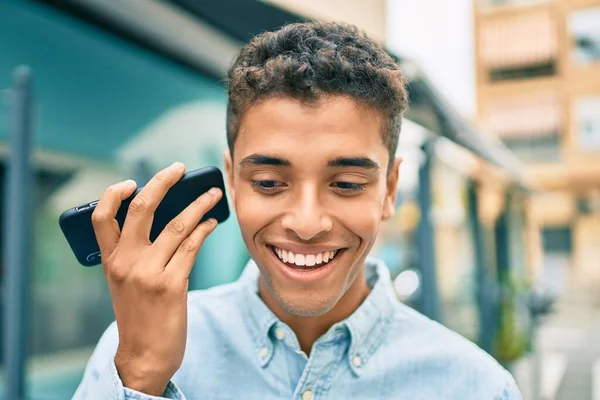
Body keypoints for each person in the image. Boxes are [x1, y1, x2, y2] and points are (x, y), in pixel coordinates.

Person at [73, 22, 522, 399]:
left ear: (389, 190)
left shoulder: (476, 387)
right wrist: (142, 375)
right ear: (232, 181)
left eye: (346, 184)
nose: (307, 223)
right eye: (268, 183)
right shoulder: (126, 351)